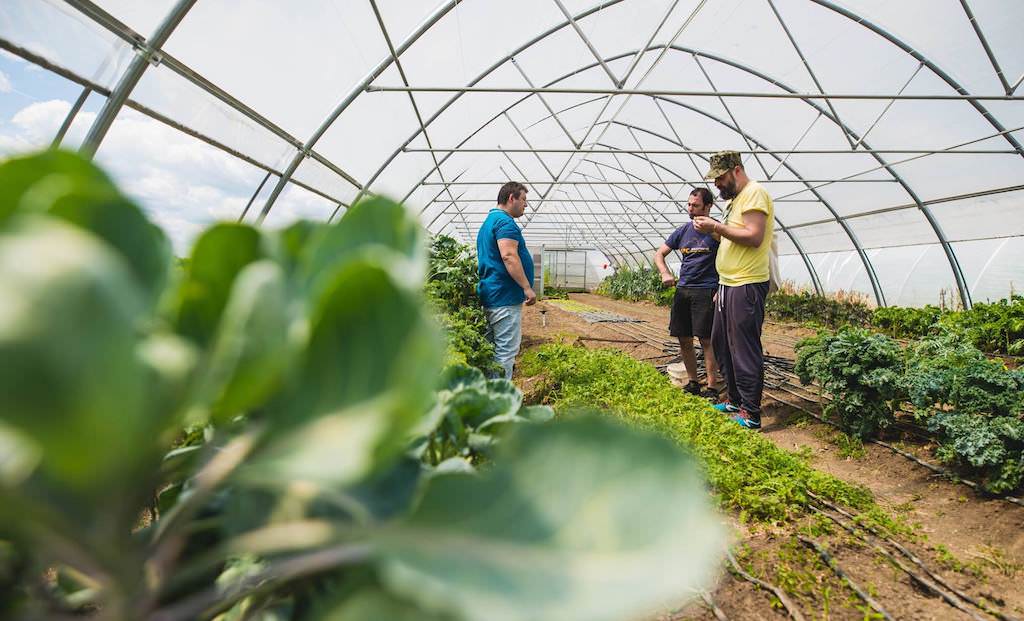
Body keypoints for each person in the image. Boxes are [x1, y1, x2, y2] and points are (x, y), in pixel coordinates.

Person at [692, 151, 774, 431]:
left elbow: (753, 236)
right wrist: (712, 230)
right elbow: (732, 235)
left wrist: (716, 226)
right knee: (721, 342)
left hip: (747, 282)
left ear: (736, 170)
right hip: (728, 283)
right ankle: (734, 399)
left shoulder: (754, 193)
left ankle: (751, 413)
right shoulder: (737, 200)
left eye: (721, 178)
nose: (717, 185)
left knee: (744, 348)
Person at [653, 187, 722, 399]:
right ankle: (693, 382)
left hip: (706, 289)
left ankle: (712, 387)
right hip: (684, 289)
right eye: (689, 205)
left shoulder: (718, 231)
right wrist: (665, 272)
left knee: (706, 339)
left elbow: (732, 257)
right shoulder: (683, 231)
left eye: (696, 205)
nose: (690, 209)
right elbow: (659, 254)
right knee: (683, 337)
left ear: (708, 206)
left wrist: (722, 287)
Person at [476, 181, 537, 380]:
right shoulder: (504, 223)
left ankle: (486, 397)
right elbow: (509, 256)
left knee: (492, 350)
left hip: (492, 295)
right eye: (524, 200)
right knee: (505, 353)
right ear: (512, 198)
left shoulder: (489, 222)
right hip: (504, 297)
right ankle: (500, 403)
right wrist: (527, 288)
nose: (526, 205)